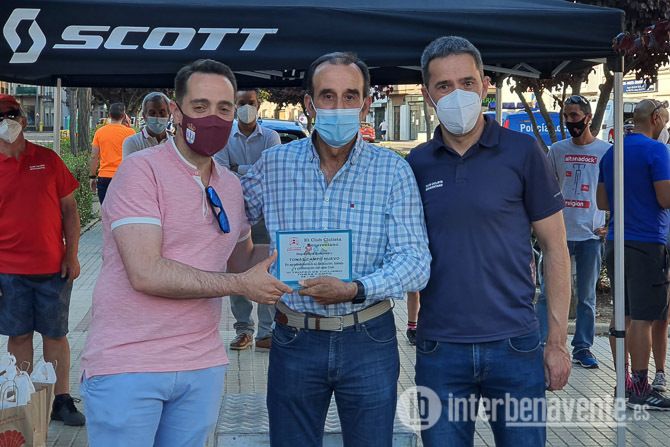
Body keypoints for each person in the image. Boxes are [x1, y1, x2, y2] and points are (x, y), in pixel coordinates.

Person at [79, 59, 292, 447]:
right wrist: (239, 284)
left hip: (201, 364)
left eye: (224, 108)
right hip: (130, 363)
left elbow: (242, 259)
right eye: (200, 106)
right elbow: (146, 272)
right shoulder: (141, 171)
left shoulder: (230, 186)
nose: (214, 118)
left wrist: (304, 253)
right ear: (177, 112)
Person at [241, 52, 431, 447]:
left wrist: (356, 288)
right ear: (309, 104)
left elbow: (416, 262)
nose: (339, 106)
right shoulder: (273, 165)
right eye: (327, 96)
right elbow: (223, 221)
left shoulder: (392, 170)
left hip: (368, 338)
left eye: (350, 96)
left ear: (365, 103)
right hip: (294, 336)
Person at [407, 36, 572, 446]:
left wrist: (556, 343)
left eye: (467, 82)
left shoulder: (523, 152)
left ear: (484, 85)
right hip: (440, 349)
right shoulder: (417, 164)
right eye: (444, 86)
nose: (457, 94)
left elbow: (556, 249)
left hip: (514, 345)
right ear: (428, 95)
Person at [0, 94, 85, 426]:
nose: (5, 122)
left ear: (23, 120)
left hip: (53, 268)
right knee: (19, 336)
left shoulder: (48, 160)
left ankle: (60, 400)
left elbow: (70, 210)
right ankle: (23, 398)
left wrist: (72, 255)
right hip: (8, 271)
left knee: (55, 336)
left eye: (10, 114)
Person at [597, 98, 670, 409]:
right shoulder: (658, 151)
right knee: (643, 318)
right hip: (647, 242)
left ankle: (623, 383)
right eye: (665, 118)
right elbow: (665, 198)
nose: (666, 124)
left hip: (616, 241)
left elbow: (602, 202)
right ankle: (641, 389)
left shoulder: (612, 152)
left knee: (622, 317)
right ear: (655, 118)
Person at [535, 95, 610, 369]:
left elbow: (616, 191)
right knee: (548, 293)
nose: (569, 121)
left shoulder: (606, 151)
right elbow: (546, 189)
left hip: (590, 236)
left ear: (588, 118)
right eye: (566, 116)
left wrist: (610, 223)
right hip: (559, 236)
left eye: (574, 116)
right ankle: (542, 345)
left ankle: (582, 347)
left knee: (586, 297)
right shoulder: (556, 150)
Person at [214, 89, 281, 350]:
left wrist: (238, 169)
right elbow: (221, 173)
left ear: (258, 104)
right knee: (237, 272)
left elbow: (273, 171)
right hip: (234, 215)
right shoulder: (223, 137)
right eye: (241, 103)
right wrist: (255, 171)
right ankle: (243, 330)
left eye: (250, 103)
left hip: (266, 215)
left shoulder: (271, 136)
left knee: (267, 269)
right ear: (234, 105)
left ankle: (266, 331)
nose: (246, 107)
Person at [89, 103, 136, 203]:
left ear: (109, 115)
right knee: (123, 209)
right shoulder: (130, 133)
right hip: (123, 177)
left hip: (104, 176)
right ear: (124, 116)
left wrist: (92, 176)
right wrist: (128, 125)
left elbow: (94, 156)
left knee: (106, 209)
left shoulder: (100, 132)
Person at [122, 92, 171, 158]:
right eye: (152, 113)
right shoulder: (132, 142)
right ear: (144, 116)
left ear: (169, 116)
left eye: (162, 113)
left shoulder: (175, 143)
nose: (157, 117)